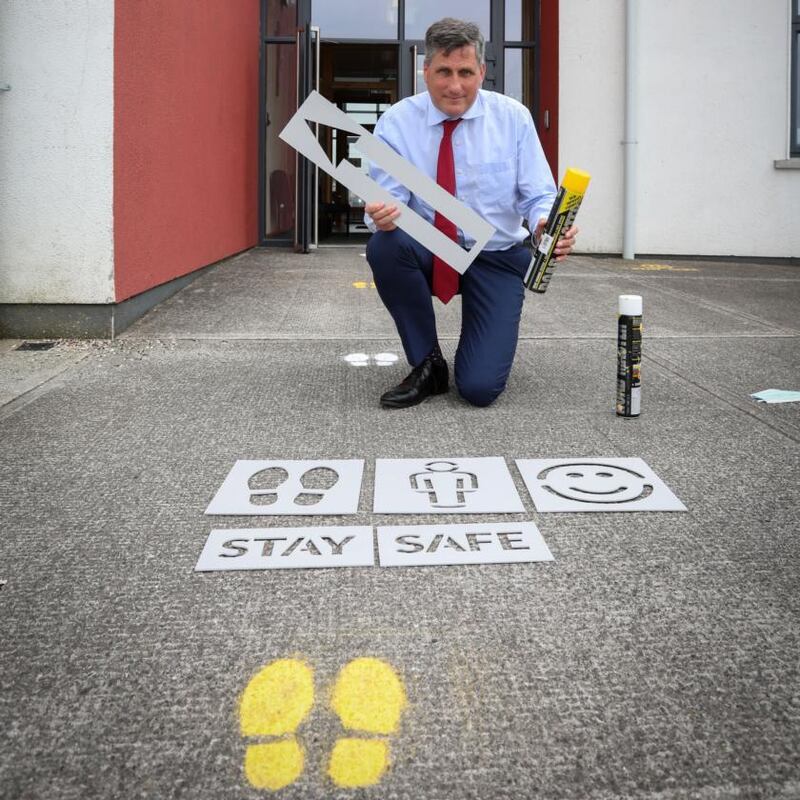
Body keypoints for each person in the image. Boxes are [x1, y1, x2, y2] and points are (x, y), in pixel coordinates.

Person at [364, 17, 578, 409]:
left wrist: (545, 223)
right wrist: (381, 212)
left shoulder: (513, 118)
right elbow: (387, 199)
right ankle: (427, 364)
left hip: (497, 257)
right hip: (433, 250)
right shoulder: (396, 122)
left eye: (465, 72)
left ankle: (474, 356)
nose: (455, 85)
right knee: (385, 245)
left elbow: (538, 196)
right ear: (425, 71)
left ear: (482, 71)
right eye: (443, 71)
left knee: (479, 390)